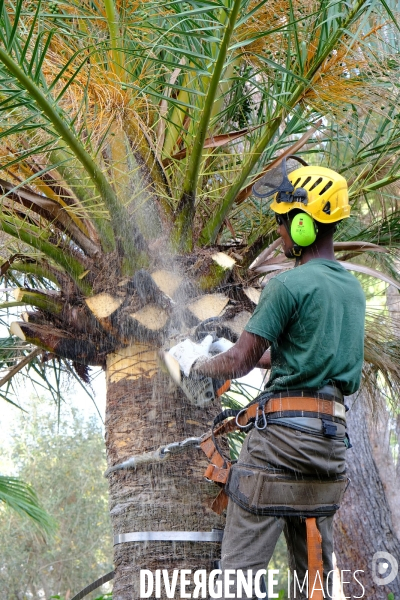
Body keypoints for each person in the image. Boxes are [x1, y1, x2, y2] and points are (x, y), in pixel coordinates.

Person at [170, 162, 366, 599]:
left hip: (281, 447)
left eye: (282, 221)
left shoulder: (287, 284)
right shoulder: (351, 290)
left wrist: (196, 362)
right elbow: (305, 355)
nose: (279, 232)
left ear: (302, 224)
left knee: (238, 580)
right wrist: (253, 357)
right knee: (314, 582)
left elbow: (238, 363)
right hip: (330, 449)